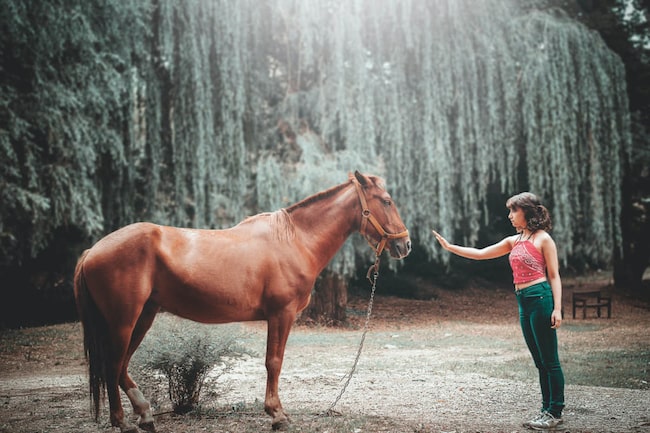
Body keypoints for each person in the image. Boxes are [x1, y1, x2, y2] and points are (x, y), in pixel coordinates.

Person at [432, 192, 565, 430]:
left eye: (514, 210)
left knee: (550, 361)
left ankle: (555, 411)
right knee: (539, 361)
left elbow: (554, 275)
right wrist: (450, 247)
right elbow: (481, 253)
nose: (510, 216)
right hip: (523, 301)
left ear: (528, 211)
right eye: (510, 211)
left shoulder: (543, 239)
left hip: (540, 298)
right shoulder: (513, 241)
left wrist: (557, 308)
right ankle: (546, 410)